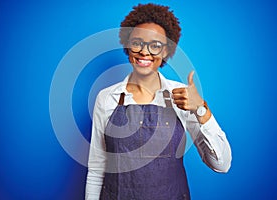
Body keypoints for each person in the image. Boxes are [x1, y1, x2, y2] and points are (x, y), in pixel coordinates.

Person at [85, 3, 232, 200]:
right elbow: (97, 168)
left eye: (155, 45)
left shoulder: (183, 96)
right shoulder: (106, 98)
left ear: (166, 51)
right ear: (128, 46)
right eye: (137, 43)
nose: (145, 52)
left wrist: (200, 110)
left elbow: (221, 165)